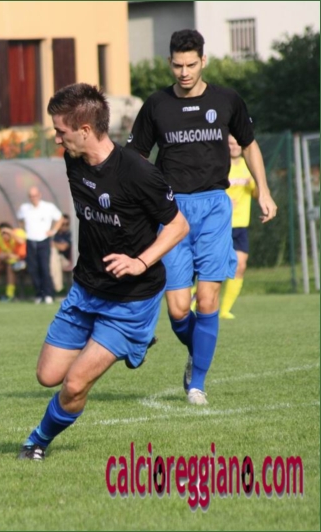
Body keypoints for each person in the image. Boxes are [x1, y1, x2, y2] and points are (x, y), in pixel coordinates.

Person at [18, 83, 189, 461]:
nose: (56, 139)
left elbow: (179, 226)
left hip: (130, 300)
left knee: (74, 384)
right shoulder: (74, 160)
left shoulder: (139, 173)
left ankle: (36, 442)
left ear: (84, 129)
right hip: (86, 289)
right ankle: (132, 344)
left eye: (60, 131)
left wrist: (140, 261)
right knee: (47, 376)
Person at [126, 29, 277, 405]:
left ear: (203, 61)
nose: (184, 72)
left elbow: (250, 145)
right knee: (178, 309)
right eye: (177, 65)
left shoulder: (227, 100)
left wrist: (264, 190)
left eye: (191, 65)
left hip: (213, 208)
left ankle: (197, 384)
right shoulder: (156, 105)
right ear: (169, 63)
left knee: (207, 300)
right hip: (171, 212)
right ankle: (199, 349)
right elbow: (136, 157)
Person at [219, 135, 258, 319]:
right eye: (230, 143)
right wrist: (224, 200)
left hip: (241, 225)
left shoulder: (249, 166)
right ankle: (195, 301)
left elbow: (258, 194)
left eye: (237, 144)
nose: (234, 147)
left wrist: (254, 185)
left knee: (240, 266)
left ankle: (225, 310)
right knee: (216, 267)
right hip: (221, 225)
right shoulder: (219, 165)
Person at [17, 186, 63, 304]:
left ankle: (48, 294)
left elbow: (60, 218)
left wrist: (53, 231)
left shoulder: (48, 207)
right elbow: (20, 220)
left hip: (44, 240)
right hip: (30, 240)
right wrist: (24, 231)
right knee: (33, 269)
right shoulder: (24, 208)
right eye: (31, 196)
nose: (33, 198)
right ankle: (39, 294)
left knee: (44, 268)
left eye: (35, 196)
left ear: (40, 195)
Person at [0, 222, 27, 300]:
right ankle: (9, 294)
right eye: (2, 234)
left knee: (11, 267)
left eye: (6, 233)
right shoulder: (2, 240)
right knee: (8, 266)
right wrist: (6, 255)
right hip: (17, 261)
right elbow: (4, 254)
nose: (4, 236)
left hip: (28, 260)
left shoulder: (18, 232)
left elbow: (21, 241)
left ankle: (10, 293)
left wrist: (10, 232)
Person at [50, 214, 73, 294]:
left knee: (53, 255)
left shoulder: (69, 234)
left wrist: (53, 244)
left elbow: (63, 247)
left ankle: (57, 287)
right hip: (54, 260)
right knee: (53, 257)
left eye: (67, 224)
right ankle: (54, 288)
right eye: (62, 224)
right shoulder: (54, 235)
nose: (64, 226)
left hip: (66, 260)